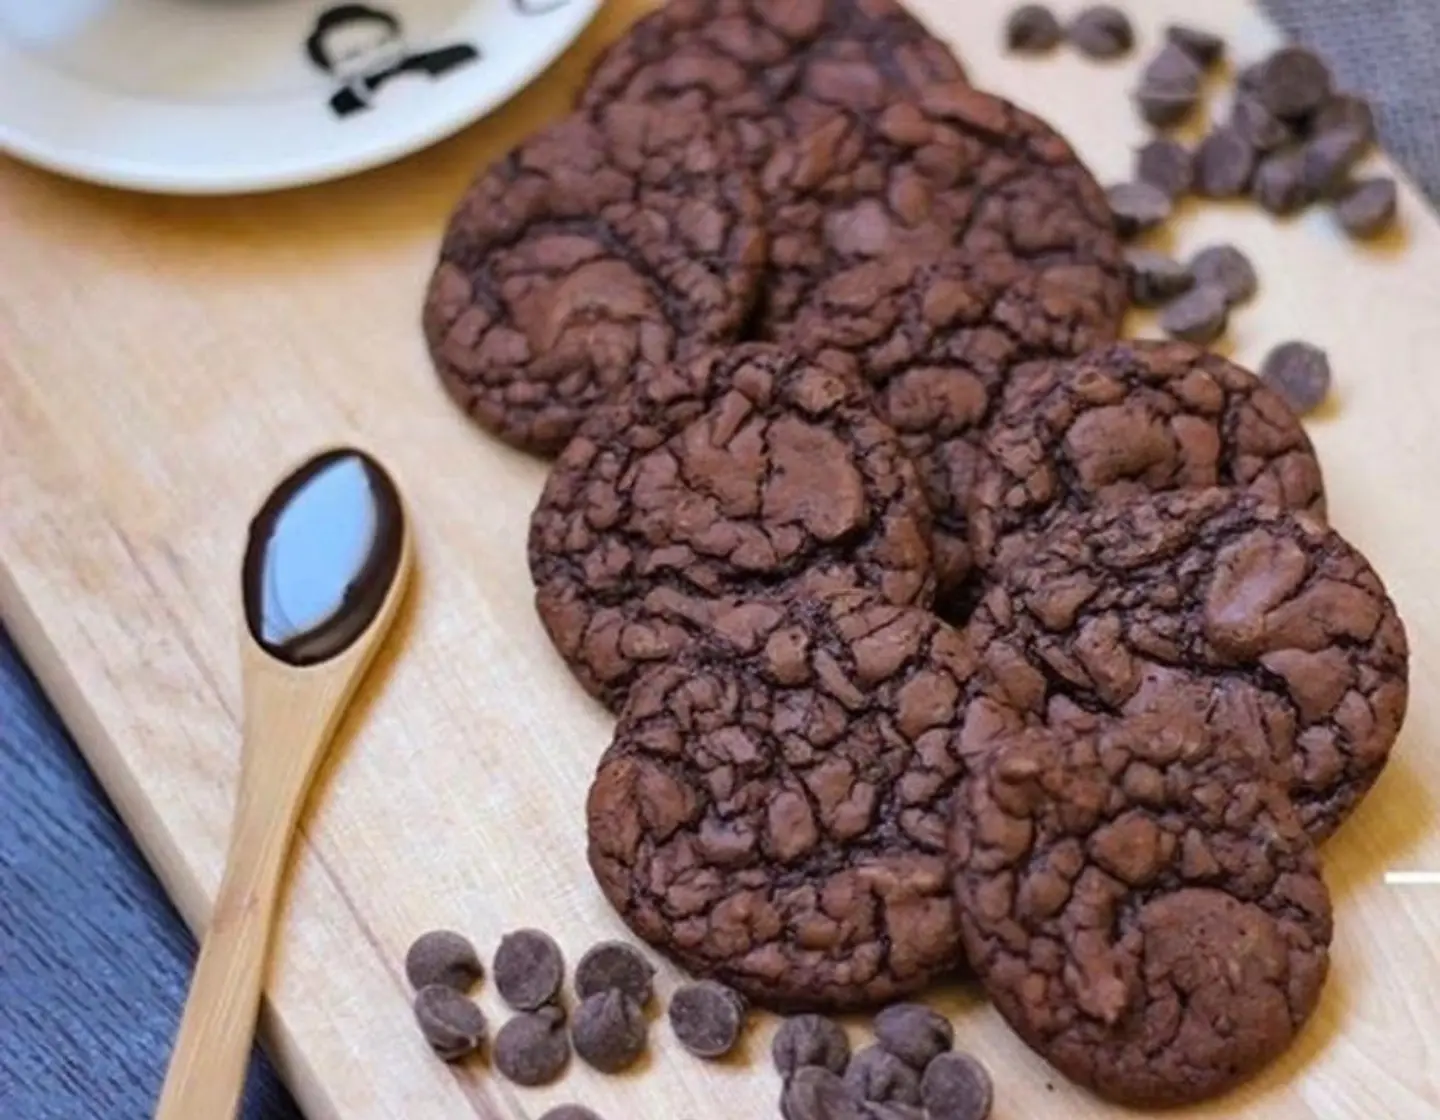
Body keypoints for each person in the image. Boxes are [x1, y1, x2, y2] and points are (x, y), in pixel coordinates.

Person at [304, 4, 480, 117]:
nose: (375, 56)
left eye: (383, 42)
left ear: (398, 36)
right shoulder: (342, 104)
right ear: (332, 68)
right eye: (352, 55)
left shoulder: (457, 56)